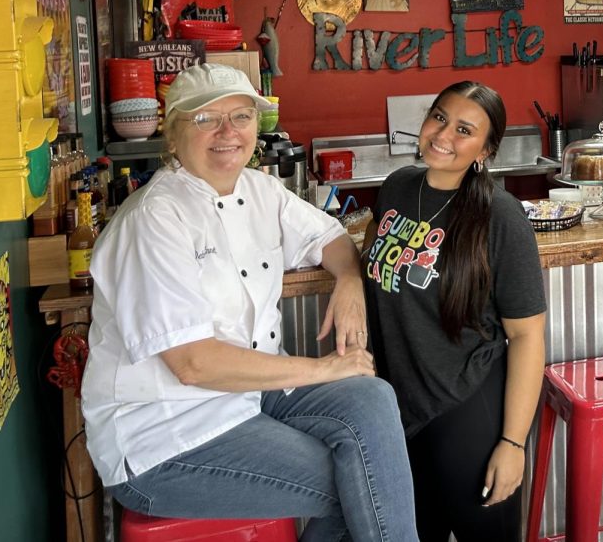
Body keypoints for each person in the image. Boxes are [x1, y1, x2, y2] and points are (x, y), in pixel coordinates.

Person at [81, 63, 416, 542]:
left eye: (240, 117)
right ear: (172, 136)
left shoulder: (261, 190)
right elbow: (194, 364)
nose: (227, 132)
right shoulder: (154, 219)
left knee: (371, 398)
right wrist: (323, 370)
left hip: (249, 398)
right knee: (364, 478)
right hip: (165, 434)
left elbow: (331, 237)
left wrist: (348, 283)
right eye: (205, 119)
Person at [363, 81, 547, 542]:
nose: (443, 134)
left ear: (485, 149)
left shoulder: (499, 216)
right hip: (400, 411)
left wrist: (512, 444)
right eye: (439, 117)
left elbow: (525, 337)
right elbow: (371, 262)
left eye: (464, 129)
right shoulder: (396, 188)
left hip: (467, 411)